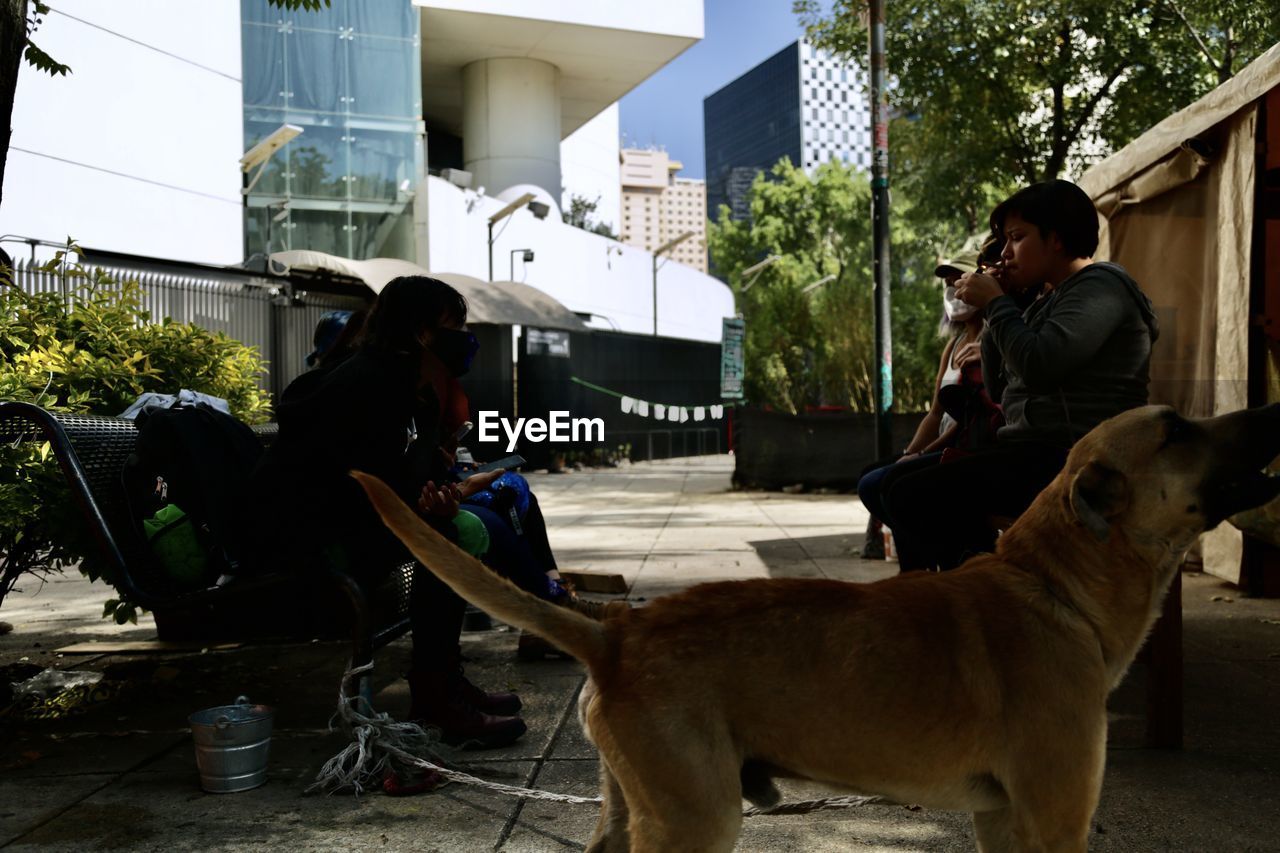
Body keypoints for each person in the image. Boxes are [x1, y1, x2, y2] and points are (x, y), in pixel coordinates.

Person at [247, 276, 526, 749]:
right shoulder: (368, 385)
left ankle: (443, 682)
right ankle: (437, 693)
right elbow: (347, 483)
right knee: (444, 539)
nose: (464, 336)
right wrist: (430, 501)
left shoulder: (408, 386)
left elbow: (396, 479)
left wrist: (444, 490)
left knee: (446, 526)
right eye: (454, 326)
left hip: (336, 518)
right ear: (421, 332)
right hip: (304, 534)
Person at [882, 179, 1159, 571]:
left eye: (1017, 237)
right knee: (891, 484)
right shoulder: (1050, 297)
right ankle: (969, 590)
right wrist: (1003, 303)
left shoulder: (1102, 287)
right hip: (1032, 451)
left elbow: (1040, 367)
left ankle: (967, 595)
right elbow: (1002, 389)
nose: (1007, 252)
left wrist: (996, 304)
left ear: (1057, 239)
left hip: (1079, 458)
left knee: (910, 494)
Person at [856, 246, 991, 565]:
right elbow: (935, 414)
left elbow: (973, 416)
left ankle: (929, 568)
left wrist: (926, 453)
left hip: (965, 446)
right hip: (940, 445)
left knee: (891, 486)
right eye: (948, 284)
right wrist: (911, 453)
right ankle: (923, 565)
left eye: (960, 280)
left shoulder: (991, 341)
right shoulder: (954, 344)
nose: (953, 290)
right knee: (874, 477)